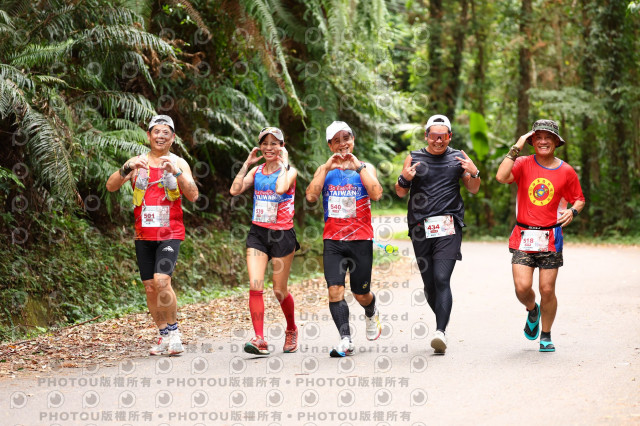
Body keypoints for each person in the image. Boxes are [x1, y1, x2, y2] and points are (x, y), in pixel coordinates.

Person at [106, 115, 199, 355]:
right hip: (143, 234)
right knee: (149, 287)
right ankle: (163, 335)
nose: (160, 136)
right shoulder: (137, 162)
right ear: (148, 135)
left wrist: (177, 173)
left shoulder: (178, 162)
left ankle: (175, 333)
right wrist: (127, 168)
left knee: (162, 281)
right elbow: (111, 186)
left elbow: (193, 195)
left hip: (170, 232)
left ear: (173, 138)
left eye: (166, 132)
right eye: (156, 131)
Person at [496, 119, 585, 352]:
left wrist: (573, 211)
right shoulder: (523, 162)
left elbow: (579, 199)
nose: (543, 141)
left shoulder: (566, 171)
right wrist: (517, 146)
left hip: (551, 237)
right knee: (522, 287)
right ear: (532, 141)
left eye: (548, 137)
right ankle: (532, 309)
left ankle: (546, 334)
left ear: (556, 141)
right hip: (523, 235)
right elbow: (501, 177)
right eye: (538, 137)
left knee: (547, 289)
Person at [395, 114, 480, 354]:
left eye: (443, 137)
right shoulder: (414, 157)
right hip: (420, 227)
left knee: (442, 278)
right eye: (434, 136)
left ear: (449, 137)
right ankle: (442, 321)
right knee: (429, 285)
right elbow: (400, 192)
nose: (438, 141)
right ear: (426, 136)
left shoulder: (458, 158)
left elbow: (473, 189)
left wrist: (474, 172)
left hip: (448, 225)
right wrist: (404, 179)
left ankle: (440, 332)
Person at [306, 121, 383, 357]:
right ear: (330, 146)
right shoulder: (324, 170)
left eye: (346, 138)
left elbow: (377, 194)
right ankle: (345, 339)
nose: (342, 144)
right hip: (333, 241)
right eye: (336, 141)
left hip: (361, 240)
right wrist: (325, 169)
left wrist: (358, 167)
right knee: (334, 290)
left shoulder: (366, 167)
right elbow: (310, 197)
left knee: (361, 294)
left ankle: (371, 311)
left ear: (353, 140)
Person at [230, 127, 299, 356]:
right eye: (265, 143)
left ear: (282, 146)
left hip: (282, 235)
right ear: (260, 146)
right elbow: (234, 190)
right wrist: (246, 164)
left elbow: (281, 188)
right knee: (255, 285)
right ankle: (259, 338)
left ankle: (291, 329)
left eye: (274, 143)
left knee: (279, 290)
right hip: (258, 234)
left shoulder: (290, 171)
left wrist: (285, 162)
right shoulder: (256, 171)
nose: (269, 148)